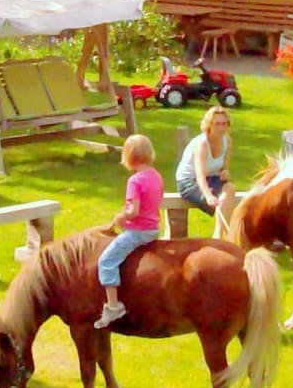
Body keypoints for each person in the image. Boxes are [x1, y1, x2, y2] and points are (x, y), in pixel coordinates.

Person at [94, 134, 162, 329]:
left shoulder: (135, 181)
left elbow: (134, 211)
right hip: (153, 228)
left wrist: (121, 218)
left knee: (106, 261)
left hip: (138, 232)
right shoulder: (156, 175)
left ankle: (113, 306)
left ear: (129, 156)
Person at [176, 106, 238, 238]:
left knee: (230, 189)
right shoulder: (202, 144)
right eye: (217, 124)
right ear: (209, 125)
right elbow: (200, 174)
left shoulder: (227, 140)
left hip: (211, 177)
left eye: (224, 124)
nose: (221, 128)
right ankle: (221, 236)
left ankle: (219, 235)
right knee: (219, 202)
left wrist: (225, 172)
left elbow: (224, 168)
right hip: (189, 180)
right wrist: (208, 195)